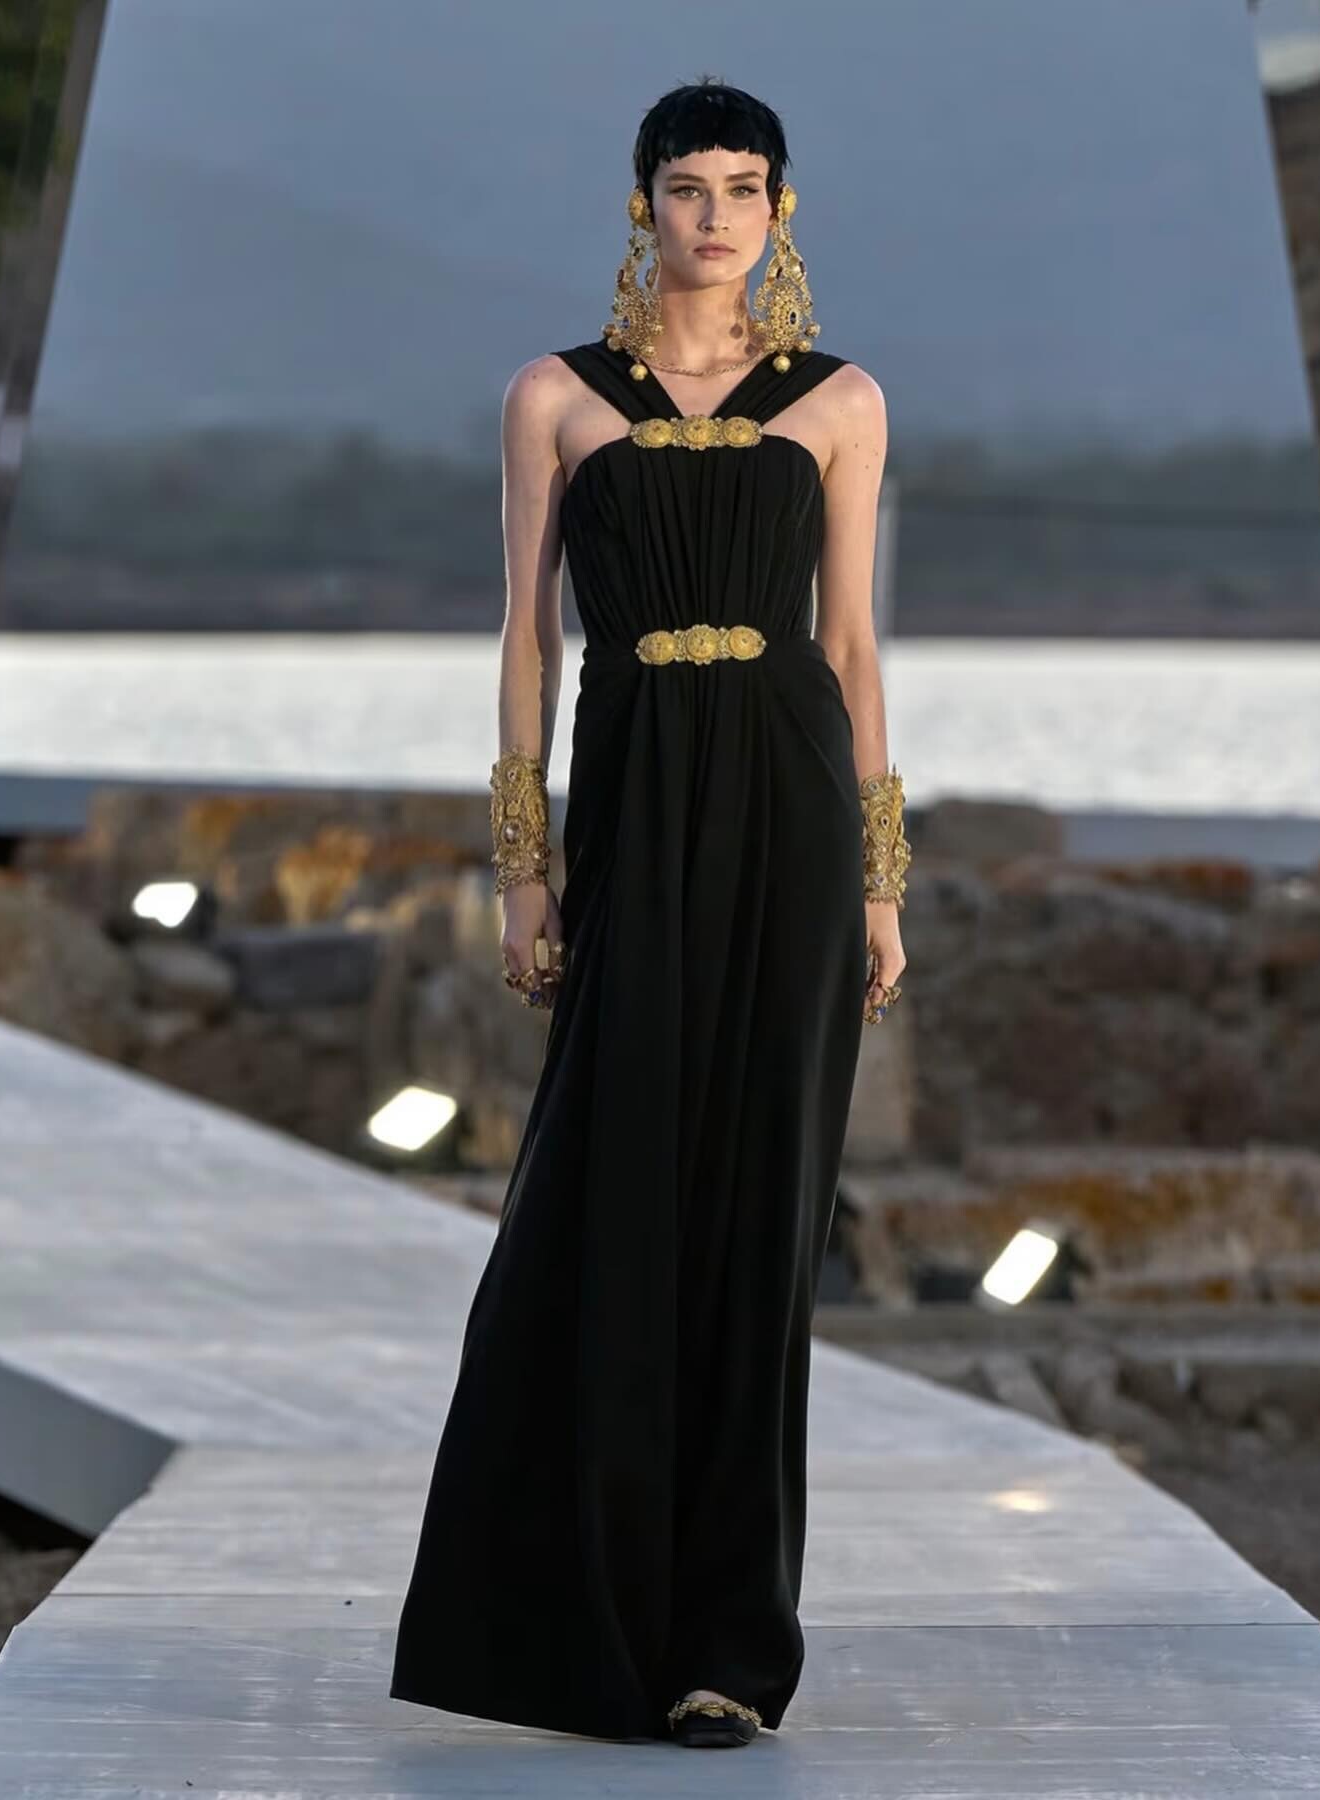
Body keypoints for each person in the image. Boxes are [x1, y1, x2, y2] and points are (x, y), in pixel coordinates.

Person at [389, 76, 911, 1750]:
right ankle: (578, 1623)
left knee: (761, 1224)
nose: (716, 216)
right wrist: (520, 861)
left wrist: (884, 878)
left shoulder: (841, 401)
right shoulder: (556, 398)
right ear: (644, 205)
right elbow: (526, 642)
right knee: (600, 1198)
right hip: (627, 811)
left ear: (781, 210)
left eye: (745, 188)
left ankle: (728, 1652)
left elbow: (853, 646)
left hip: (794, 816)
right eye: (689, 187)